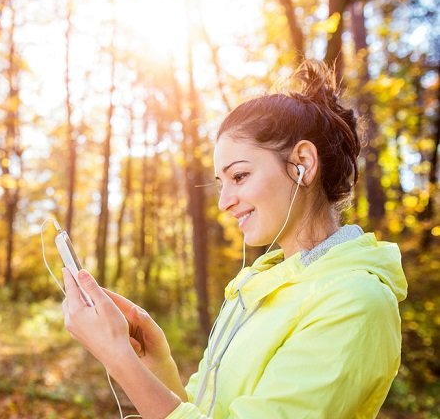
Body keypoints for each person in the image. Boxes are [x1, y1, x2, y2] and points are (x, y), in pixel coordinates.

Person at [61, 60, 407, 418]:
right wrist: (158, 364)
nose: (224, 202)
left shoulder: (355, 302)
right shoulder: (259, 284)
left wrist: (118, 358)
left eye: (239, 176)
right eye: (220, 183)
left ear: (302, 162)